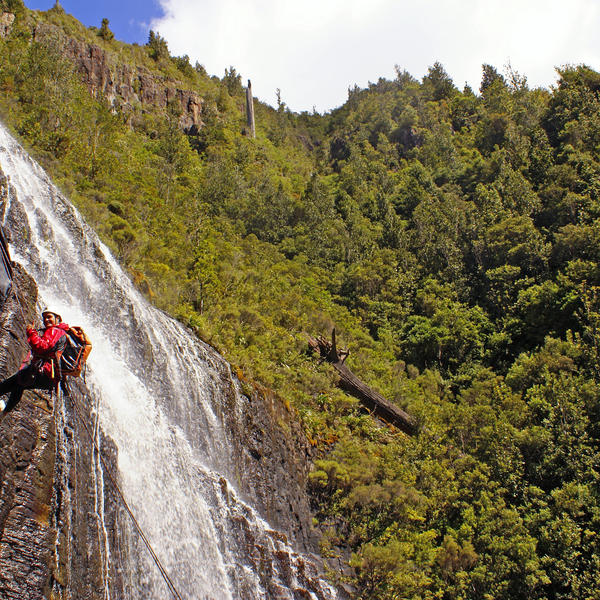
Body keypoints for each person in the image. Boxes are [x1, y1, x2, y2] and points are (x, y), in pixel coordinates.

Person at [0, 308, 69, 414]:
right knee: (19, 384)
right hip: (49, 376)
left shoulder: (55, 331)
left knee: (8, 384)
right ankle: (4, 413)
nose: (46, 320)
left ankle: (4, 413)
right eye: (44, 318)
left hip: (43, 370)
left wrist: (31, 332)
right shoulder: (61, 333)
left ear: (58, 318)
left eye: (49, 317)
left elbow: (42, 346)